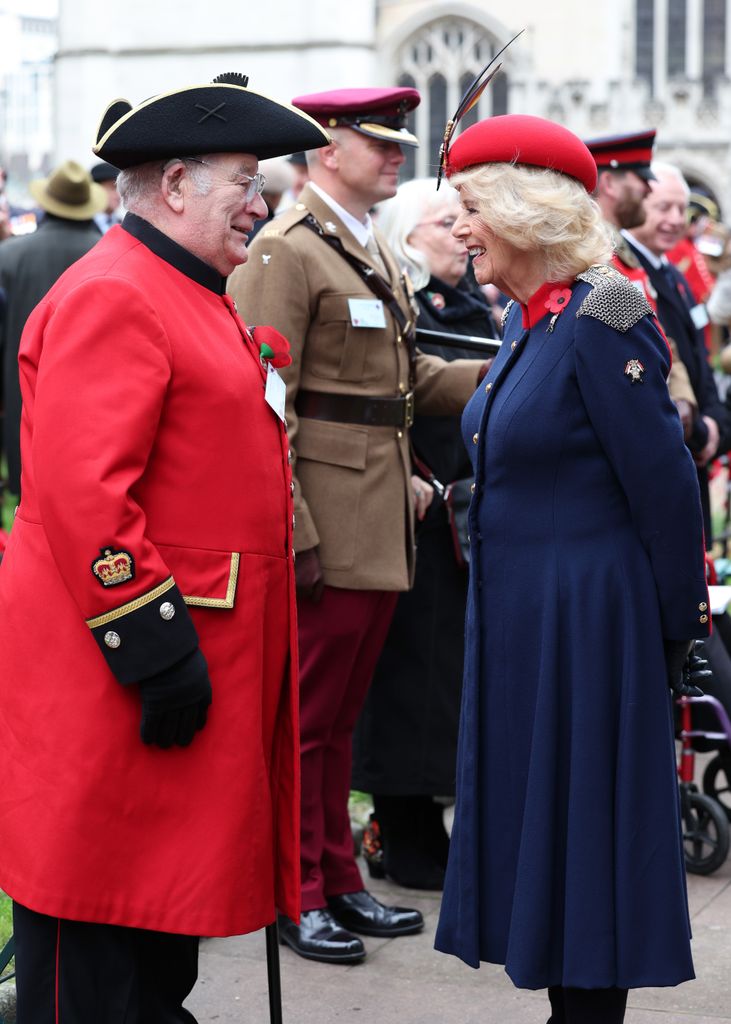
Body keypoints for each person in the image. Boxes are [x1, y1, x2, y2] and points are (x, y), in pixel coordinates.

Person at [0, 73, 330, 1023]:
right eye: (244, 182)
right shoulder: (118, 295)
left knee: (151, 932)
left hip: (173, 675)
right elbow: (83, 495)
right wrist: (152, 644)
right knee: (92, 939)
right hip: (118, 677)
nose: (262, 204)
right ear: (176, 183)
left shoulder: (187, 288)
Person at [433, 114, 711, 1024]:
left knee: (587, 838)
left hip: (591, 624)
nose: (458, 227)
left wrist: (676, 634)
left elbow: (665, 492)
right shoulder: (523, 316)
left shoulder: (606, 310)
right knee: (543, 829)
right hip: (523, 618)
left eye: (469, 208)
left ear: (522, 210)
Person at [229, 87, 485, 965]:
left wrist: (505, 370)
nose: (396, 153)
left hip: (374, 518)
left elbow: (401, 377)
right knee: (302, 722)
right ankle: (293, 893)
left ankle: (338, 876)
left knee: (336, 722)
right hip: (325, 526)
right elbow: (267, 405)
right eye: (375, 140)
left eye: (396, 141)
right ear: (324, 148)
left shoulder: (362, 240)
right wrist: (293, 526)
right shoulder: (285, 249)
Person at [352, 177, 496, 890]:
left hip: (464, 515)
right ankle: (400, 831)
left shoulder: (472, 302)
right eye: (445, 223)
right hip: (418, 509)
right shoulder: (407, 303)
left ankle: (427, 829)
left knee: (445, 682)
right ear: (408, 236)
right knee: (409, 680)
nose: (461, 235)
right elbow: (388, 394)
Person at [623, 162, 726, 544]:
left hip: (694, 439)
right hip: (672, 444)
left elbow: (700, 353)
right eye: (663, 207)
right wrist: (700, 430)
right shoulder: (624, 270)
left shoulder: (673, 272)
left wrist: (716, 423)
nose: (675, 220)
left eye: (681, 210)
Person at [0, 160, 106, 497]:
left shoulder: (9, 255)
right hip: (96, 400)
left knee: (30, 498)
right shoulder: (110, 255)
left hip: (22, 389)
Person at [585, 130, 698, 441]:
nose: (649, 190)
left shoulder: (625, 254)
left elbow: (657, 333)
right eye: (641, 179)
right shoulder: (588, 254)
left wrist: (682, 394)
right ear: (608, 184)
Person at [90, 160, 123, 232]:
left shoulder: (125, 225)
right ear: (96, 189)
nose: (118, 195)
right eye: (113, 188)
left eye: (120, 189)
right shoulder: (83, 226)